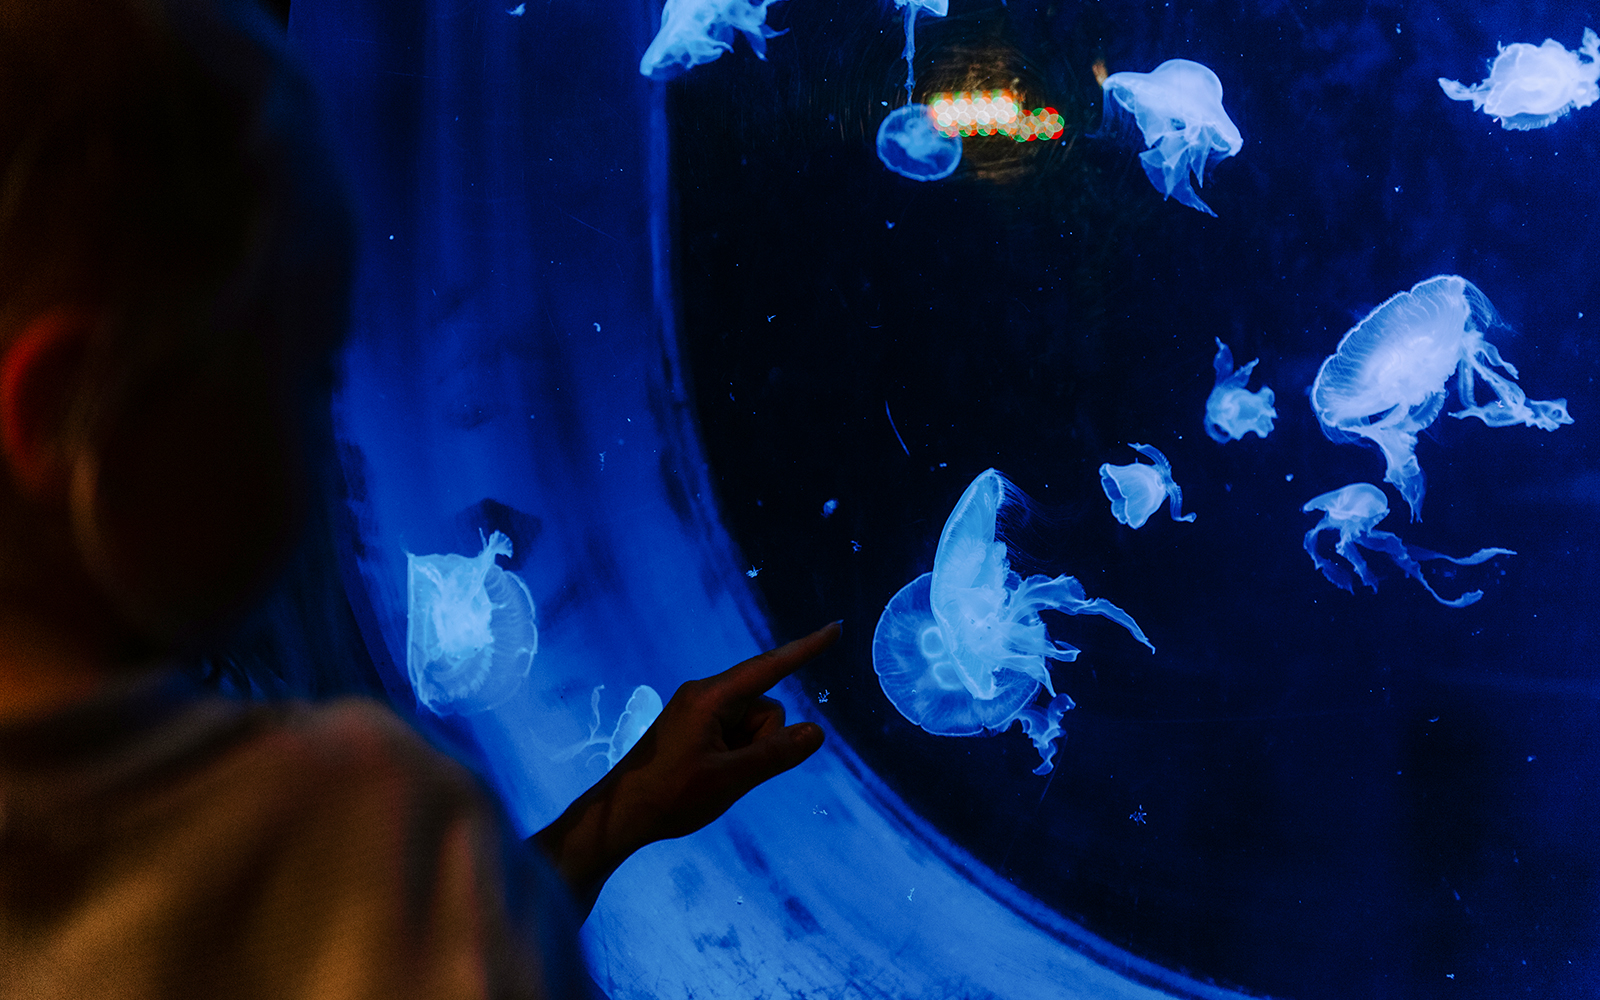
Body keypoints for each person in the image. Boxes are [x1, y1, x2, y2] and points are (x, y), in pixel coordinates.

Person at [0, 1, 838, 996]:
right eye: (306, 379)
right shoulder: (371, 836)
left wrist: (624, 808)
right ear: (64, 418)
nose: (329, 459)